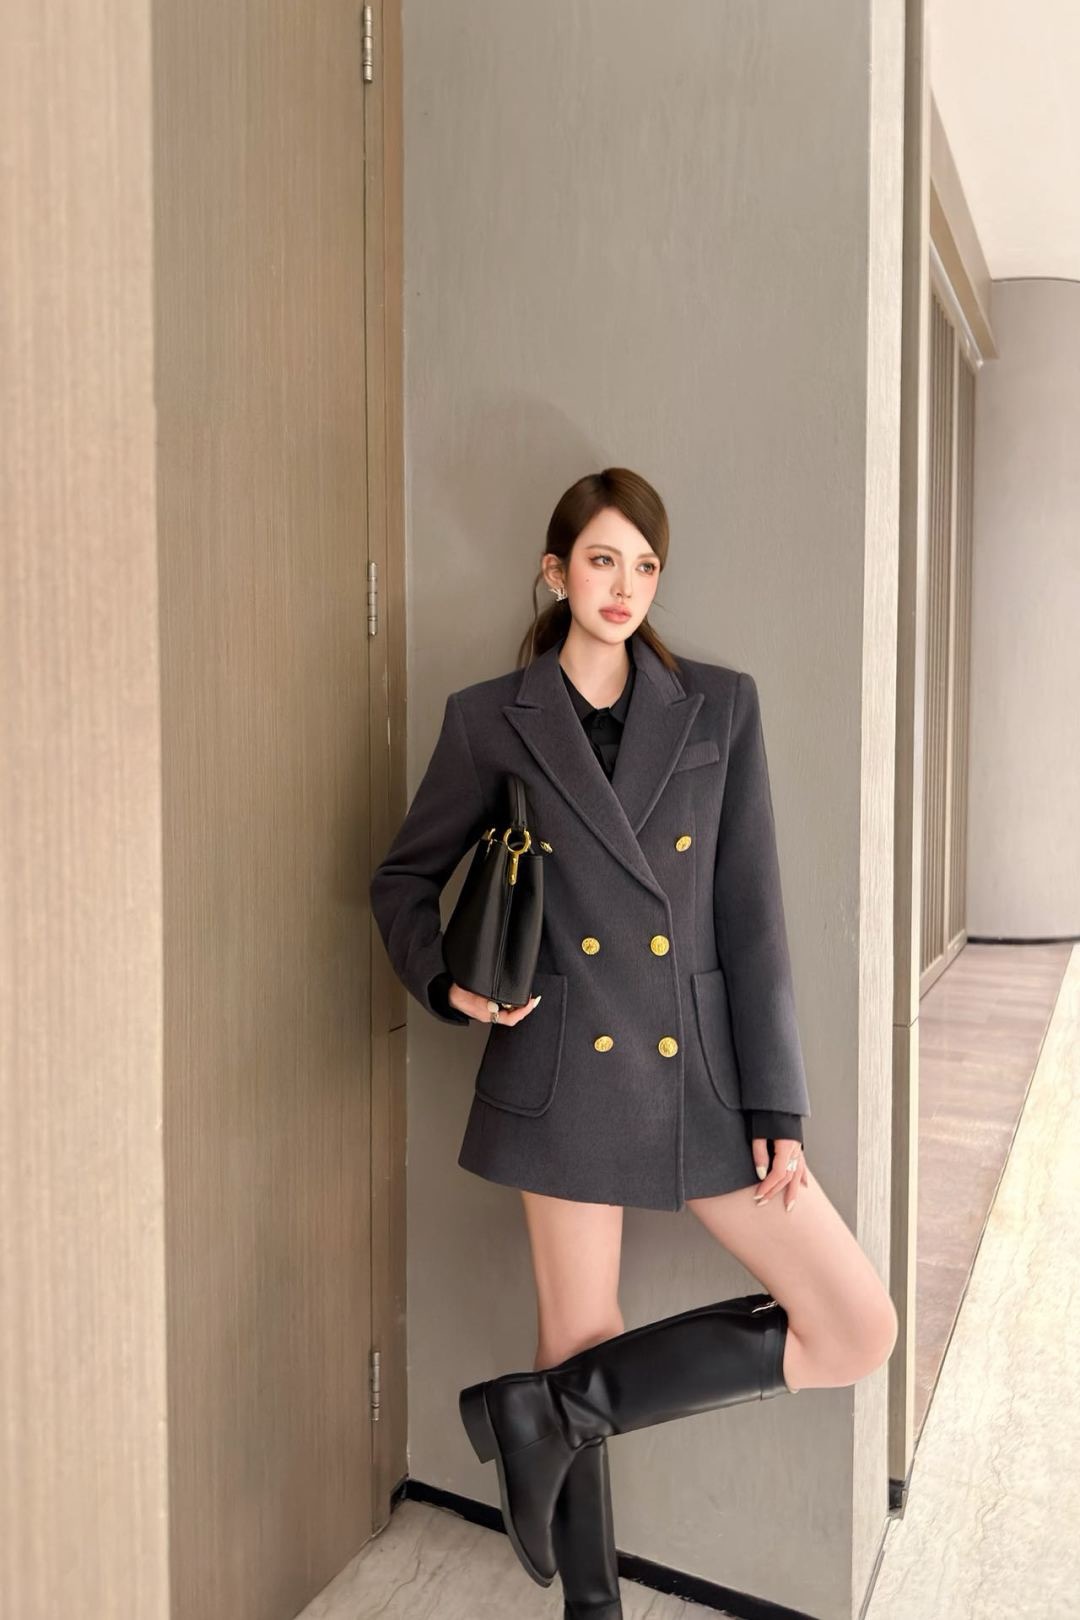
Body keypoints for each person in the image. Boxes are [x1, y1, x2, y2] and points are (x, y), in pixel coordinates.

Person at [369, 468, 898, 1618]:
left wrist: (778, 1109)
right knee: (579, 1337)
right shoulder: (491, 718)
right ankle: (590, 1594)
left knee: (858, 1327)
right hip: (562, 1072)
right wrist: (454, 988)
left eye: (645, 565)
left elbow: (751, 921)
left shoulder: (718, 706)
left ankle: (543, 1413)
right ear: (555, 571)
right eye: (602, 560)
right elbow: (402, 879)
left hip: (701, 1072)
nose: (624, 586)